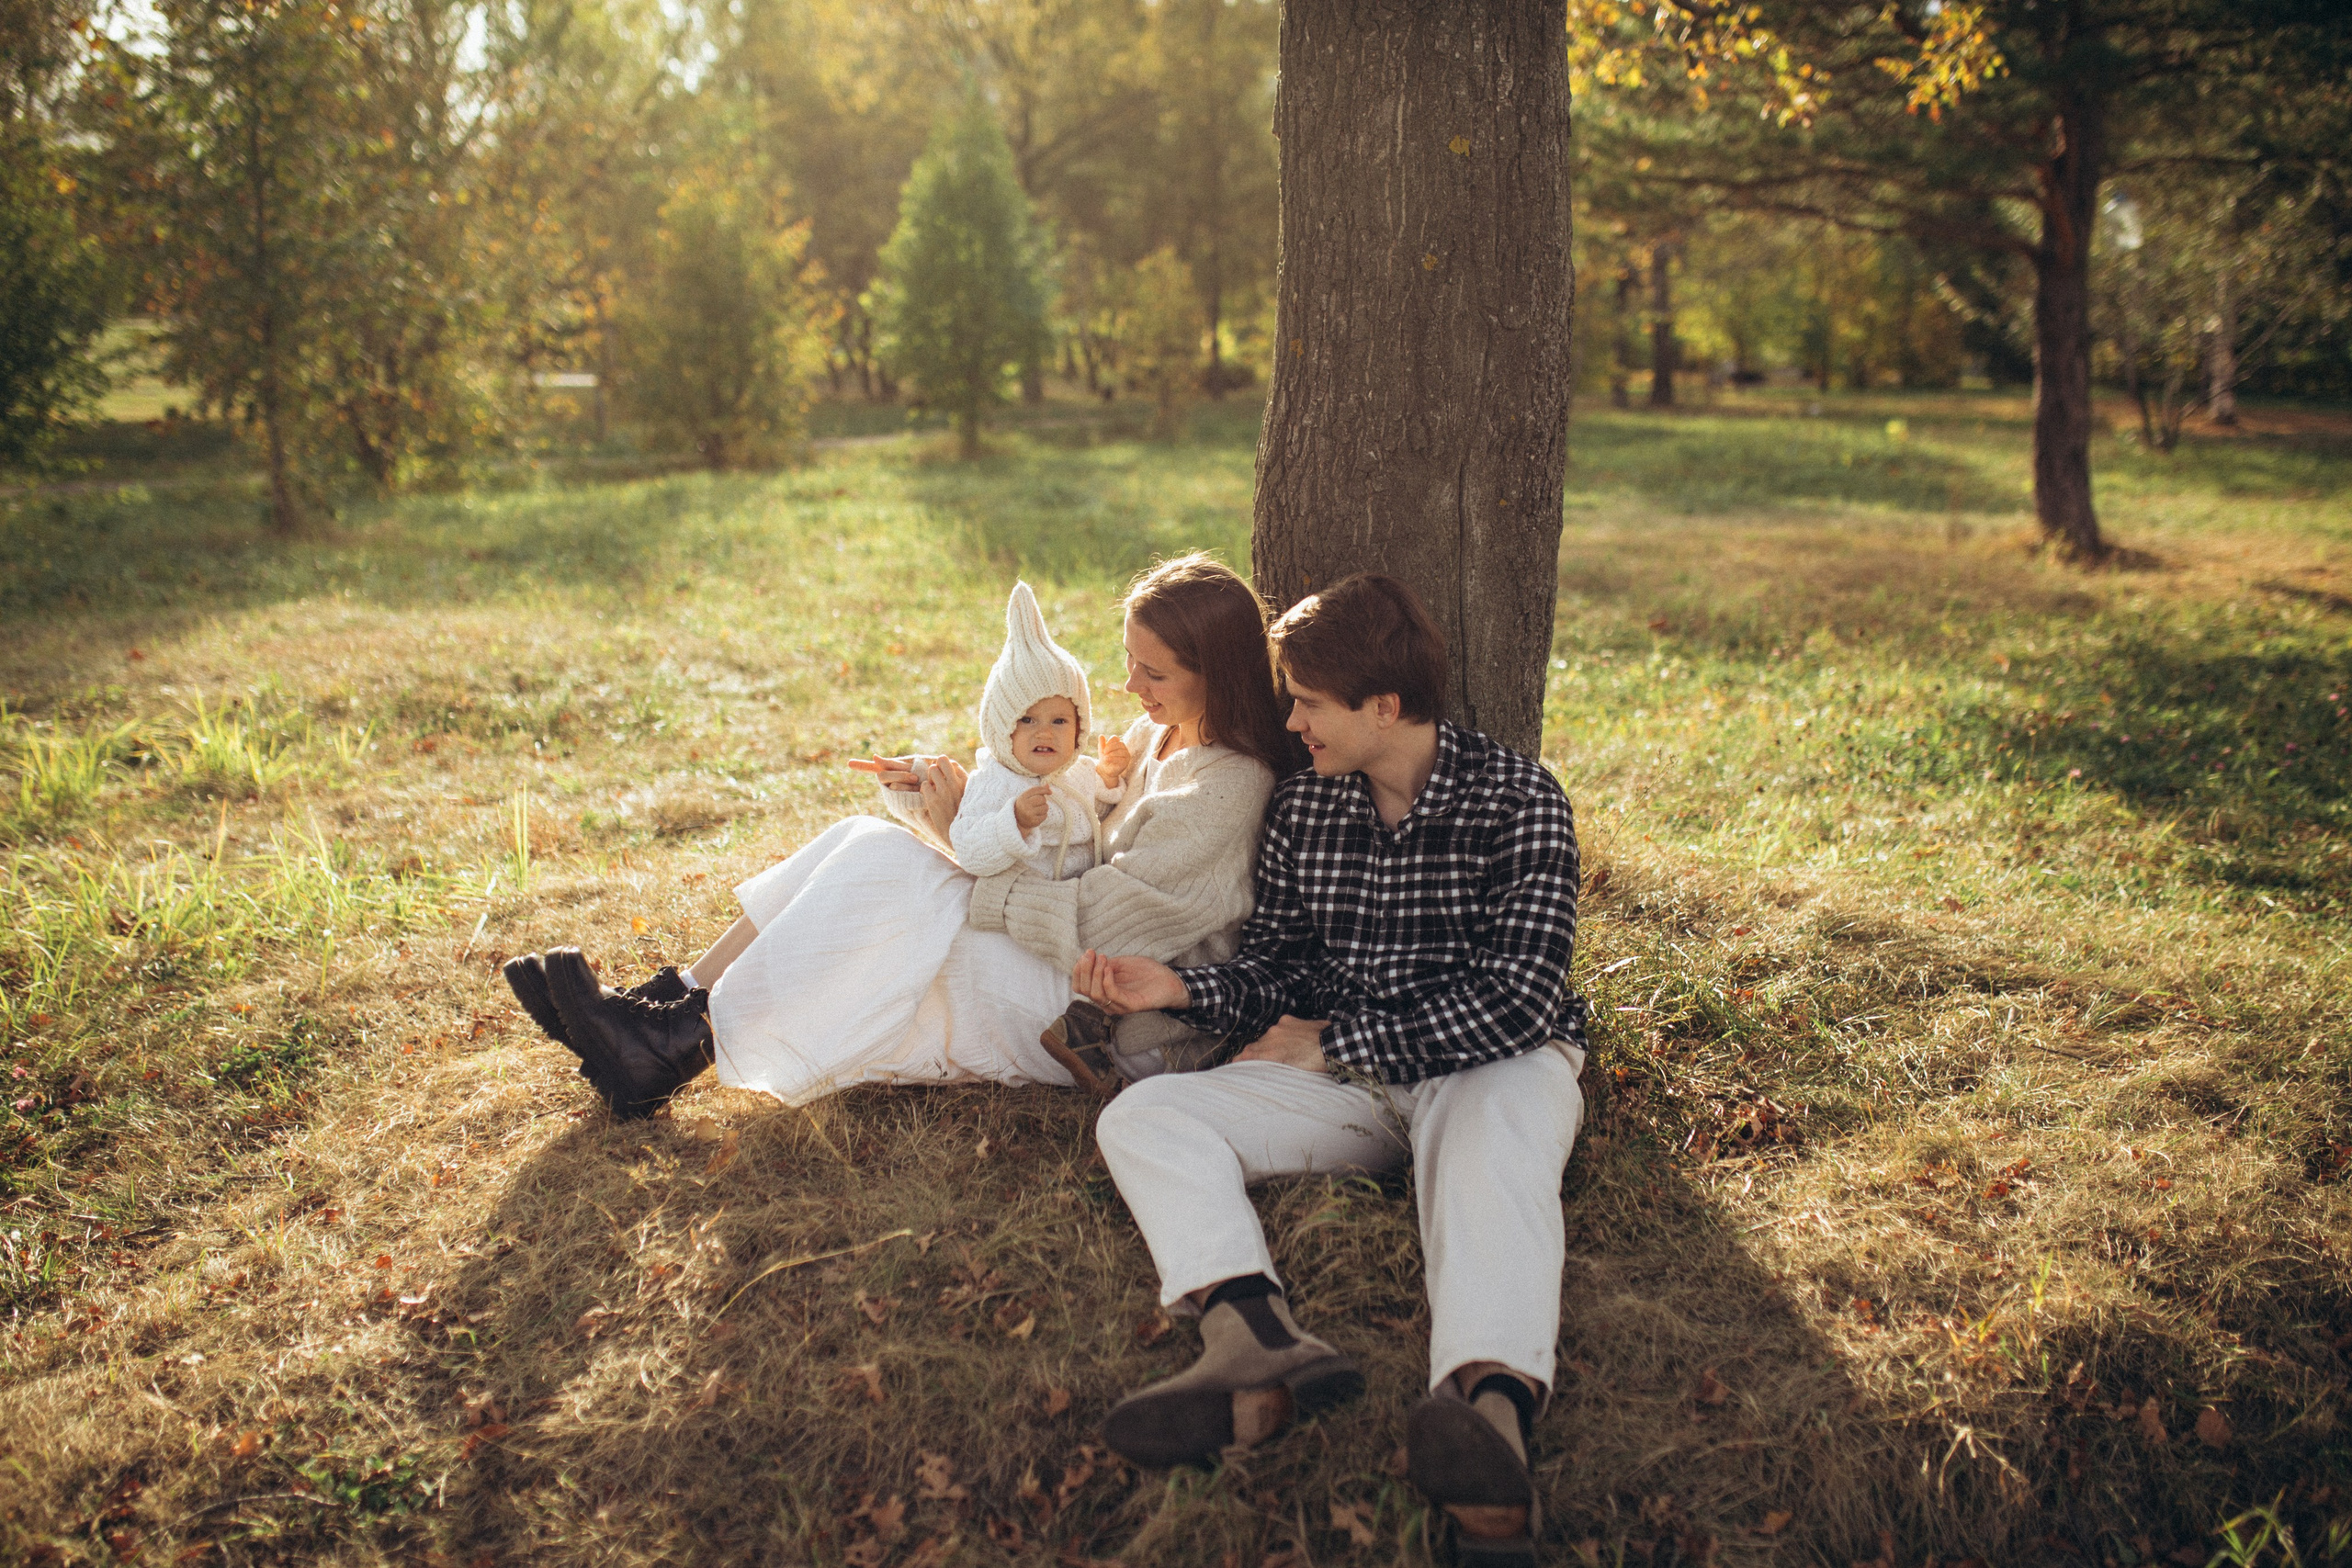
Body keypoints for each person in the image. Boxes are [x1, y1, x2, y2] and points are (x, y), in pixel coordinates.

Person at [1070, 573, 1589, 1568]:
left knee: (1490, 1165)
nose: (1289, 718)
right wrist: (1178, 991)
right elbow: (1280, 963)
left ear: (1382, 708)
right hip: (1344, 1076)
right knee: (1146, 1119)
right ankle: (1249, 1340)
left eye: (1306, 700)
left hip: (1489, 1064)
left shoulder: (1518, 799)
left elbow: (1518, 999)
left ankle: (1488, 1428)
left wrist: (1336, 1044)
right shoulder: (1309, 806)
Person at [500, 553, 1298, 1117]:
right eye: (1129, 663)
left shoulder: (1228, 786)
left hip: (1108, 1011)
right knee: (861, 837)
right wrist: (943, 804)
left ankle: (672, 1043)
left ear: (1215, 671)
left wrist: (963, 842)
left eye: (1152, 672)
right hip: (1055, 948)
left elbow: (1099, 924)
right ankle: (667, 1005)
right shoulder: (1157, 734)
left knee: (891, 875)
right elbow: (1058, 825)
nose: (1130, 686)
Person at [942, 580, 1128, 885]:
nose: (1045, 733)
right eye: (1028, 721)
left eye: (1059, 722)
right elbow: (969, 851)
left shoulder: (1079, 772)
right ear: (1002, 730)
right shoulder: (995, 783)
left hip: (1080, 895)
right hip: (1021, 898)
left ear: (1080, 728)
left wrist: (1108, 775)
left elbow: (1097, 814)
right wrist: (1014, 822)